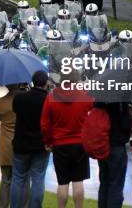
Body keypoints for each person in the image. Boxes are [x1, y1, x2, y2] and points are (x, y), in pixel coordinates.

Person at [40, 70, 92, 208]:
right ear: (76, 79)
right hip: (80, 144)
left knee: (62, 183)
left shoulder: (51, 97)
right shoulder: (85, 96)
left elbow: (45, 124)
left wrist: (48, 142)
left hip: (59, 144)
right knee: (78, 181)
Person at [10, 71, 50, 208]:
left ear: (32, 82)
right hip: (41, 146)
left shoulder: (20, 98)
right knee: (38, 179)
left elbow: (15, 109)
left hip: (21, 144)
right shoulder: (48, 100)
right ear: (46, 83)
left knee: (18, 179)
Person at [0, 85, 25, 208]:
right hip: (21, 145)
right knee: (22, 179)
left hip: (5, 146)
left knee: (6, 180)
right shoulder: (24, 102)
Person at [97, 103, 132, 208]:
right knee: (116, 186)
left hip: (102, 143)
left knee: (104, 183)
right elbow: (126, 125)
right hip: (116, 145)